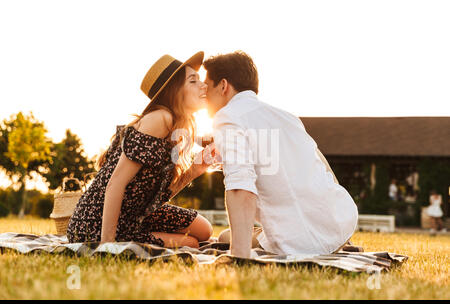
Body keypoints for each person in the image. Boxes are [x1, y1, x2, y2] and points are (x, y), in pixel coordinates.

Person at [203, 51, 358, 258]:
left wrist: (238, 257)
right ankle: (342, 244)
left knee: (225, 238)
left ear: (223, 86)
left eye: (207, 87)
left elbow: (241, 188)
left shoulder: (227, 116)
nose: (204, 96)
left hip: (300, 243)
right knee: (224, 236)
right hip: (339, 226)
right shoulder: (287, 118)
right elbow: (318, 165)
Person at [67, 51, 214, 248]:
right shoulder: (160, 118)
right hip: (96, 221)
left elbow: (156, 198)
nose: (203, 85)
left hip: (137, 214)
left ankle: (141, 234)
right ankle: (126, 238)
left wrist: (195, 171)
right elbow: (115, 183)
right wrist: (107, 245)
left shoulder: (176, 127)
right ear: (174, 90)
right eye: (193, 81)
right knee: (192, 243)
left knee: (205, 230)